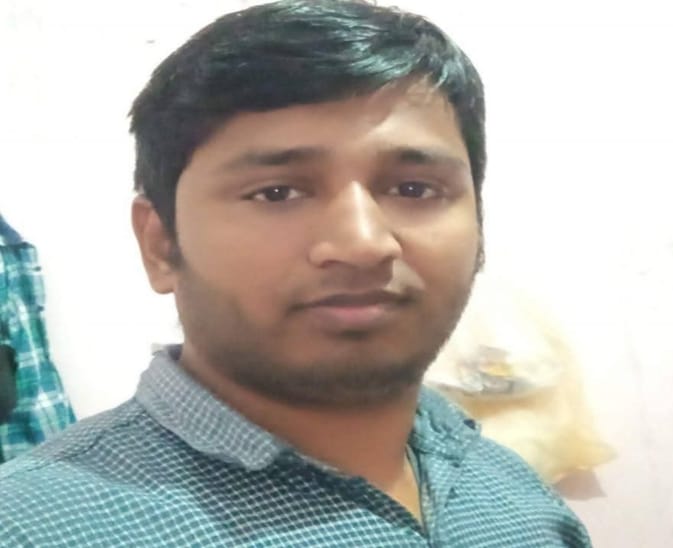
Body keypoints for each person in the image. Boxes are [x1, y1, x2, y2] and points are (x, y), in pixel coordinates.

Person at [0, 1, 591, 545]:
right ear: (160, 245)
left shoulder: (517, 497)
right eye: (277, 192)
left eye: (415, 188)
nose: (363, 244)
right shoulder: (33, 528)